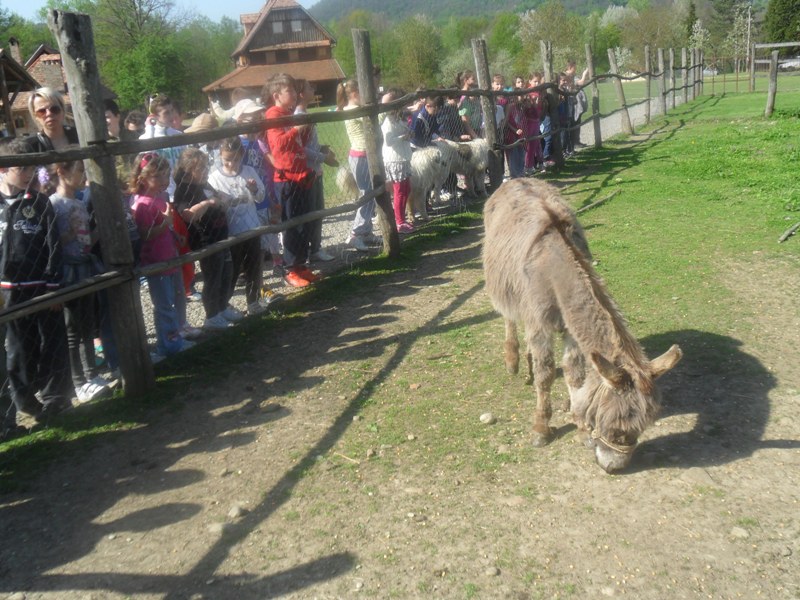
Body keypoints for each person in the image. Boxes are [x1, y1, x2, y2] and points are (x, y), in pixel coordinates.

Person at [0, 138, 71, 437]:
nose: (28, 174)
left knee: (52, 341)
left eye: (31, 168)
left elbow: (53, 244)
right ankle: (25, 401)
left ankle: (57, 398)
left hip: (41, 285)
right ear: (3, 169)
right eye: (22, 168)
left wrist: (53, 283)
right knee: (19, 349)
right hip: (7, 291)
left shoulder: (39, 202)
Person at [48, 157, 110, 403]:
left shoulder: (80, 202)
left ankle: (91, 374)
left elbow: (86, 241)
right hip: (68, 271)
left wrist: (100, 231)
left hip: (85, 267)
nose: (83, 175)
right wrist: (71, 232)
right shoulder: (53, 205)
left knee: (88, 324)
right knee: (72, 329)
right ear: (61, 171)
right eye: (79, 170)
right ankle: (78, 382)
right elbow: (53, 244)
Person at [131, 152, 192, 359]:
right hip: (156, 262)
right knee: (164, 305)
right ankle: (167, 345)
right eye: (157, 176)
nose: (163, 180)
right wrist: (165, 223)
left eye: (166, 175)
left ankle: (176, 338)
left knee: (177, 298)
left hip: (170, 258)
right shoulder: (143, 204)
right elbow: (145, 234)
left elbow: (165, 229)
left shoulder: (161, 199)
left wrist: (174, 235)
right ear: (142, 178)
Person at [173, 148, 241, 330]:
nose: (205, 171)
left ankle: (222, 307)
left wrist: (221, 200)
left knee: (227, 272)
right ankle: (212, 315)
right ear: (189, 170)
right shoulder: (184, 190)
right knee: (213, 277)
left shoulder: (204, 184)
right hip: (206, 239)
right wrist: (208, 203)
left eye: (206, 167)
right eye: (201, 168)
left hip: (220, 235)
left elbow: (217, 198)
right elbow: (188, 215)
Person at [266, 72, 320, 285]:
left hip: (300, 175)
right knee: (292, 225)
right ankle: (290, 270)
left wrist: (304, 131)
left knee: (304, 223)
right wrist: (297, 129)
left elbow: (297, 143)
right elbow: (278, 144)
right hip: (287, 179)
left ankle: (301, 265)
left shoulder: (289, 114)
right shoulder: (274, 115)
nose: (294, 93)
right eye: (289, 90)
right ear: (276, 95)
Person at [208, 137, 269, 313]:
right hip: (231, 231)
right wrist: (220, 201)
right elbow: (213, 207)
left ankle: (253, 301)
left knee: (253, 266)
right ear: (220, 156)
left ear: (241, 155)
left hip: (251, 227)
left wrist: (254, 189)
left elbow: (261, 197)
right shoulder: (215, 178)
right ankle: (224, 305)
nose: (231, 164)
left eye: (235, 159)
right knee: (232, 270)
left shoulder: (249, 171)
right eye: (227, 160)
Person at [295, 78, 338, 263]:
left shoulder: (305, 114)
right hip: (308, 172)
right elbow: (301, 148)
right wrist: (323, 157)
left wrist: (322, 148)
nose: (313, 90)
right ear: (301, 94)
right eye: (309, 88)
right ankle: (309, 250)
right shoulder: (299, 117)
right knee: (311, 212)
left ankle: (315, 248)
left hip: (315, 170)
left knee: (318, 210)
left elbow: (310, 144)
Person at [337, 78, 380, 252]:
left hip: (365, 155)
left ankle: (366, 231)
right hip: (360, 156)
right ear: (355, 94)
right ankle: (355, 234)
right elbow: (373, 121)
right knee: (366, 194)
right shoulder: (353, 110)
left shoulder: (355, 109)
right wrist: (384, 109)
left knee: (371, 194)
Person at [381, 88, 414, 233]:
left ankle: (401, 217)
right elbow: (388, 141)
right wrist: (403, 137)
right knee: (399, 191)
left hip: (403, 157)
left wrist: (409, 133)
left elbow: (402, 132)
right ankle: (399, 222)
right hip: (395, 160)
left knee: (407, 189)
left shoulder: (398, 119)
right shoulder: (388, 122)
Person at [25, 87, 79, 153]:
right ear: (35, 116)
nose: (49, 114)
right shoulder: (29, 147)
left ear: (63, 110)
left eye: (55, 109)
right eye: (41, 111)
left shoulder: (80, 136)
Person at [457, 71, 482, 140]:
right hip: (468, 130)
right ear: (465, 80)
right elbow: (464, 118)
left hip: (478, 128)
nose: (475, 81)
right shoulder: (461, 96)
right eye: (473, 79)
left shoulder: (476, 96)